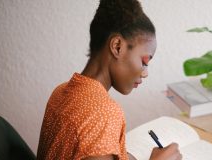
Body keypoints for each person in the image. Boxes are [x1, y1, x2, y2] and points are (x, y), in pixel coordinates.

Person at [36, 0, 182, 160]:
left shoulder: (60, 91)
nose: (145, 73)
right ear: (117, 46)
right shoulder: (103, 113)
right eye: (144, 62)